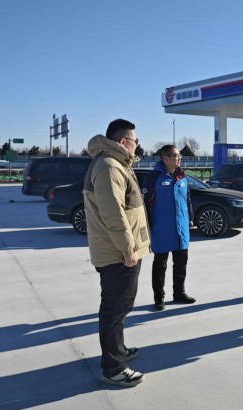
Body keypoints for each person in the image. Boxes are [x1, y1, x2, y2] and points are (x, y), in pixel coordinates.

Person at [83, 119, 150, 387]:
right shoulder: (109, 166)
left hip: (120, 251)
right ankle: (113, 368)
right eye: (135, 140)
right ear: (123, 142)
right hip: (118, 254)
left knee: (118, 309)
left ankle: (117, 351)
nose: (137, 145)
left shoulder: (116, 163)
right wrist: (128, 249)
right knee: (114, 309)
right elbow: (114, 214)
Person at [142, 145, 195, 311]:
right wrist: (147, 225)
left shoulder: (182, 177)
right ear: (165, 158)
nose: (180, 158)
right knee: (160, 264)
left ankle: (179, 293)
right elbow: (145, 203)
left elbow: (187, 199)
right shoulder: (154, 177)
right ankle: (159, 298)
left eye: (179, 156)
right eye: (177, 156)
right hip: (161, 228)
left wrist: (190, 218)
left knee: (181, 263)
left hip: (181, 228)